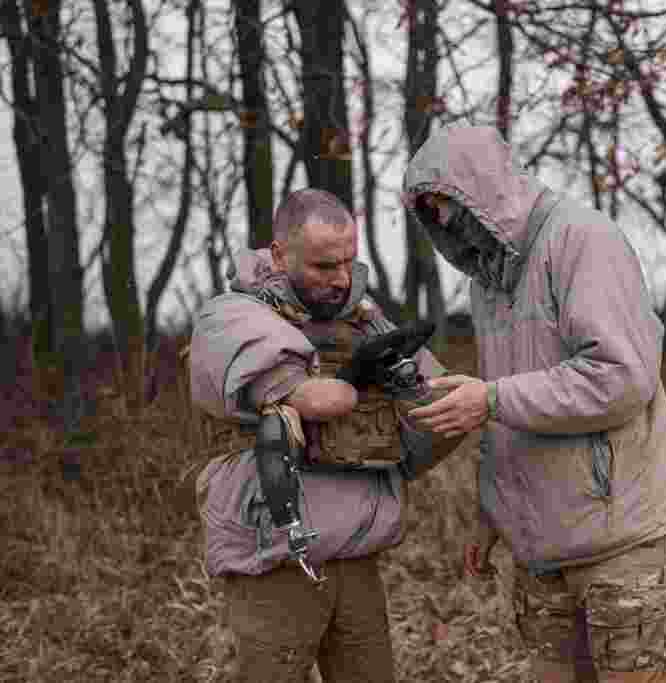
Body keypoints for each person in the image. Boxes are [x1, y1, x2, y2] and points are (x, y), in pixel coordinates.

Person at [401, 125, 666, 683]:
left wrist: (491, 398)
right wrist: (491, 514)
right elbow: (503, 409)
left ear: (483, 192)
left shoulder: (583, 241)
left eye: (448, 209)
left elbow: (621, 377)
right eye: (431, 217)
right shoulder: (486, 280)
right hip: (541, 551)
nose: (444, 227)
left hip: (620, 542)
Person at [187, 188, 463, 683]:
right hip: (276, 555)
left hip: (356, 552)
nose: (341, 279)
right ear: (279, 255)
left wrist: (415, 386)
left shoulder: (363, 320)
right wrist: (359, 375)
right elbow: (317, 400)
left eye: (349, 263)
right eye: (323, 266)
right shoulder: (232, 317)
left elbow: (442, 413)